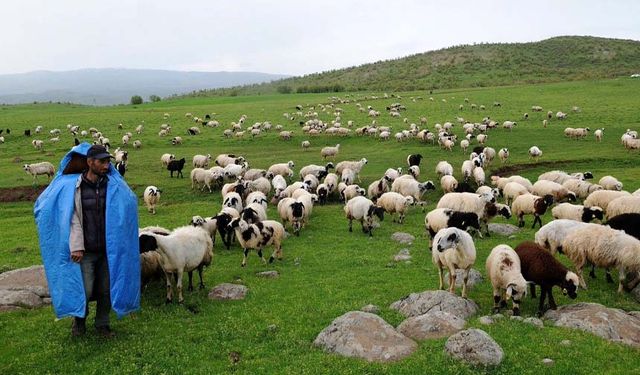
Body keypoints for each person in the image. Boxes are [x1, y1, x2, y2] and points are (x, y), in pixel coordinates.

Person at [34, 143, 140, 339]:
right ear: (89, 162)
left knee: (107, 288)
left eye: (108, 161)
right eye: (102, 162)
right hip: (86, 251)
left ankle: (103, 325)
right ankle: (79, 322)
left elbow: (128, 207)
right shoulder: (73, 188)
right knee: (85, 288)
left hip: (110, 250)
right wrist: (76, 246)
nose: (107, 166)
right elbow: (66, 216)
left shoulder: (114, 186)